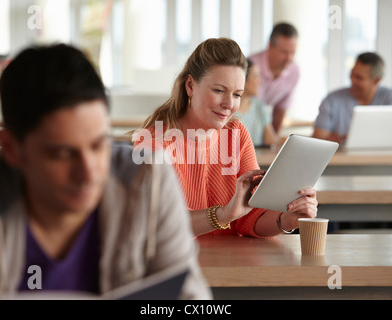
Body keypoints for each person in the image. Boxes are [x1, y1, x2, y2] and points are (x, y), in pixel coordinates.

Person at [0, 44, 212, 300]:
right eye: (61, 154)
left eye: (98, 145)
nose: (89, 173)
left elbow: (190, 298)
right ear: (12, 149)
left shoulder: (149, 180)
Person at [132, 37, 318, 238]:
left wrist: (286, 219)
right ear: (190, 86)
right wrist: (222, 215)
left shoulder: (236, 134)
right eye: (219, 90)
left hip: (229, 264)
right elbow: (156, 224)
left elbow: (250, 217)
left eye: (237, 94)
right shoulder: (153, 143)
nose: (229, 104)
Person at [312, 52, 392, 143]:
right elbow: (318, 139)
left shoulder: (391, 98)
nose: (352, 80)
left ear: (376, 80)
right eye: (352, 74)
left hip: (382, 157)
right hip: (342, 157)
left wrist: (343, 138)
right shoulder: (332, 100)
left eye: (359, 77)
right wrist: (346, 139)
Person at [248, 22, 300, 134]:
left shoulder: (294, 71)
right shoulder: (250, 66)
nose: (289, 58)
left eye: (293, 52)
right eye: (284, 52)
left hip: (264, 130)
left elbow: (281, 109)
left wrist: (274, 144)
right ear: (270, 46)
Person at [234, 59, 279, 148]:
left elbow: (271, 141)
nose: (260, 81)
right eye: (256, 77)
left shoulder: (259, 106)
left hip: (258, 160)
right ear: (243, 80)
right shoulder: (229, 109)